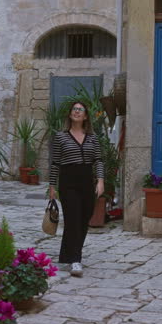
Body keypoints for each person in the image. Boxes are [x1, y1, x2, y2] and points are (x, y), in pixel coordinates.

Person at [49, 101, 104, 277]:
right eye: (74, 109)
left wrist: (100, 181)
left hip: (87, 180)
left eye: (80, 109)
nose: (77, 111)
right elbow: (55, 163)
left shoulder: (93, 138)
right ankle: (75, 260)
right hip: (68, 181)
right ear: (70, 114)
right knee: (73, 219)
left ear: (86, 116)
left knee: (84, 218)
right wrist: (52, 186)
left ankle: (66, 254)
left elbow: (98, 160)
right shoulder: (60, 137)